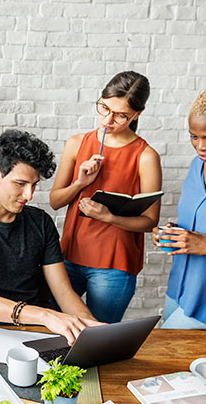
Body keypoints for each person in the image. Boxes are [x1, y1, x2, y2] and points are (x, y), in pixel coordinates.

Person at [0, 130, 100, 346]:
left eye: (34, 185)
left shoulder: (41, 222)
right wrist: (45, 315)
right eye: (20, 184)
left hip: (33, 334)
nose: (29, 195)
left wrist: (91, 328)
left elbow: (63, 292)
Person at [50, 71, 162, 323]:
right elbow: (55, 201)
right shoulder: (76, 143)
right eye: (104, 108)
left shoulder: (146, 156)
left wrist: (108, 217)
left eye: (121, 115)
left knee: (97, 340)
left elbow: (149, 221)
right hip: (67, 257)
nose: (108, 119)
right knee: (52, 331)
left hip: (113, 268)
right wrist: (80, 182)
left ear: (137, 114)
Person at [152, 91, 206, 329]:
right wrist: (172, 234)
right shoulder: (196, 167)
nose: (200, 146)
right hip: (179, 289)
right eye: (194, 136)